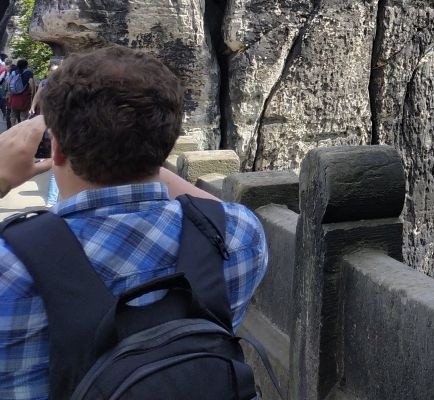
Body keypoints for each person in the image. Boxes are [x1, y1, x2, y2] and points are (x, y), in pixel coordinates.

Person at [0, 46, 269, 400]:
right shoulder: (237, 237)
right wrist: (141, 146)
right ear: (166, 144)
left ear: (57, 149)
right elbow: (216, 209)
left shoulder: (11, 268)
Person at [30, 61, 60, 205]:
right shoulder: (45, 83)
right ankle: (52, 199)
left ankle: (53, 199)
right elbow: (37, 96)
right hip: (49, 124)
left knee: (57, 162)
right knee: (56, 162)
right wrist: (32, 106)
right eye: (52, 70)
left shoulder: (64, 85)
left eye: (56, 70)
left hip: (60, 125)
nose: (54, 73)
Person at [6, 58, 35, 126]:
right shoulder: (28, 73)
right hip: (24, 97)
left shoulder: (13, 72)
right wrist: (33, 94)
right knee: (23, 115)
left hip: (13, 96)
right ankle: (22, 128)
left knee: (13, 114)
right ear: (26, 65)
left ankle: (12, 128)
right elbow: (31, 83)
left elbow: (8, 82)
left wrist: (8, 93)